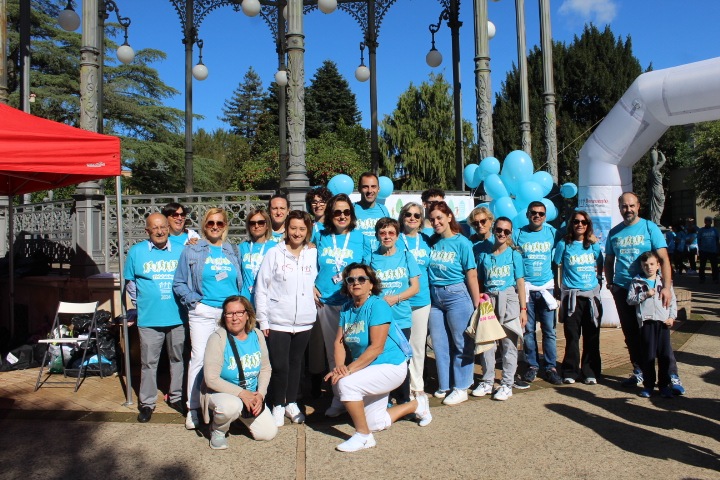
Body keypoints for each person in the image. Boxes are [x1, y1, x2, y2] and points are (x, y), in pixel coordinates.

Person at [325, 263, 432, 452]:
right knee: (374, 422)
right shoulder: (347, 308)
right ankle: (417, 405)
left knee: (346, 384)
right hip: (368, 368)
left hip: (390, 366)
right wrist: (340, 366)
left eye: (361, 279)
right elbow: (339, 342)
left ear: (371, 284)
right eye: (351, 279)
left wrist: (347, 371)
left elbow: (376, 347)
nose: (356, 283)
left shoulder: (378, 305)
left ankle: (364, 437)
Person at [604, 192, 684, 393]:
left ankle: (671, 376)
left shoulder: (650, 228)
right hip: (624, 289)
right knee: (631, 333)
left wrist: (666, 287)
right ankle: (639, 371)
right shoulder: (614, 232)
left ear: (638, 206)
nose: (627, 210)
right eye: (624, 206)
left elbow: (664, 259)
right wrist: (611, 284)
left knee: (658, 335)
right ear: (619, 207)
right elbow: (608, 260)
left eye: (631, 206)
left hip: (650, 291)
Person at [173, 207, 243, 429]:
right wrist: (195, 302)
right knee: (199, 358)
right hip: (203, 313)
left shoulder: (233, 250)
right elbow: (179, 282)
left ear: (225, 226)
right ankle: (193, 407)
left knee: (228, 361)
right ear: (204, 226)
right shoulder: (192, 251)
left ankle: (226, 405)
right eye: (211, 223)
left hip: (229, 314)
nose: (215, 227)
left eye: (219, 223)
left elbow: (240, 281)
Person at [254, 211, 318, 427]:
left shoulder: (312, 253)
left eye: (302, 229)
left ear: (308, 230)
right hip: (278, 320)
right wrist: (263, 320)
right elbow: (261, 288)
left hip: (304, 321)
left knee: (296, 364)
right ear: (286, 229)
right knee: (279, 366)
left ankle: (291, 402)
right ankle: (277, 405)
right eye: (293, 228)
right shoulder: (274, 253)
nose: (297, 233)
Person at [124, 213, 186, 423]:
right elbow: (130, 283)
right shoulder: (137, 252)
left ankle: (176, 396)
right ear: (147, 231)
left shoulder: (180, 249)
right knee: (148, 363)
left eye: (163, 227)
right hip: (149, 319)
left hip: (177, 316)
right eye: (155, 228)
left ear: (168, 228)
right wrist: (141, 303)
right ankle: (147, 403)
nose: (160, 231)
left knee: (177, 359)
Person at [314, 193, 370, 416]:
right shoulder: (321, 236)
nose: (342, 216)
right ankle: (338, 398)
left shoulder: (360, 237)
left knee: (356, 349)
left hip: (352, 303)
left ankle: (358, 396)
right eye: (337, 212)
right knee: (333, 351)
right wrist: (310, 285)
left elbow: (367, 270)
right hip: (326, 303)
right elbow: (307, 263)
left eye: (346, 212)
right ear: (330, 214)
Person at [201, 296, 277, 449]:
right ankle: (218, 430)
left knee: (268, 433)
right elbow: (211, 379)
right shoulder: (217, 339)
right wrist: (242, 393)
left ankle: (238, 420)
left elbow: (265, 368)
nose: (234, 318)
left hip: (250, 395)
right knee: (231, 406)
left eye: (239, 313)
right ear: (224, 316)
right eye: (229, 314)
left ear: (248, 314)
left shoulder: (257, 335)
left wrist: (260, 394)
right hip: (221, 394)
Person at [426, 201, 480, 405]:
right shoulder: (432, 242)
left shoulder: (462, 243)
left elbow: (471, 275)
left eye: (439, 217)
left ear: (449, 217)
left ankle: (462, 386)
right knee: (439, 344)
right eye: (432, 219)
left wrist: (477, 307)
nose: (436, 222)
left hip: (457, 295)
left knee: (461, 343)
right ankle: (445, 384)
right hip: (435, 297)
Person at [365, 217, 420, 406]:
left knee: (401, 358)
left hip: (401, 317)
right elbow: (366, 287)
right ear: (377, 235)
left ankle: (405, 397)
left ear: (397, 235)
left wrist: (396, 298)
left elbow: (415, 288)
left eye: (390, 233)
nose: (386, 236)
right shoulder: (371, 258)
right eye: (382, 233)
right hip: (379, 319)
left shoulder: (406, 256)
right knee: (380, 358)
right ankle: (383, 398)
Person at [475, 217, 527, 401]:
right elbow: (480, 281)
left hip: (509, 300)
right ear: (494, 229)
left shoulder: (514, 255)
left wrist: (523, 309)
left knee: (509, 344)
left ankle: (506, 383)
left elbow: (520, 282)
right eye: (499, 230)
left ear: (510, 233)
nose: (502, 234)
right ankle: (487, 380)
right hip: (489, 301)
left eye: (506, 231)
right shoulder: (484, 255)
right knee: (487, 343)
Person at [513, 201, 561, 386]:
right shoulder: (518, 233)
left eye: (541, 213)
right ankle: (532, 366)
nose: (537, 216)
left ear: (545, 215)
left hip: (546, 288)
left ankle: (551, 367)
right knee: (528, 331)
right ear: (527, 214)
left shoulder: (552, 233)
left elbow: (570, 240)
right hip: (526, 289)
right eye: (533, 213)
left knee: (549, 331)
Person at [553, 211, 604, 385]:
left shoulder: (593, 245)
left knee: (592, 336)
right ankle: (570, 371)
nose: (580, 225)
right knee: (572, 337)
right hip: (572, 298)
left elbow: (601, 263)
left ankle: (590, 371)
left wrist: (598, 283)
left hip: (591, 297)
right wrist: (557, 288)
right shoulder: (564, 244)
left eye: (583, 222)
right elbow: (556, 265)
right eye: (576, 221)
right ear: (571, 224)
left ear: (588, 225)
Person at [626, 251, 678, 399]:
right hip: (646, 322)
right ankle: (648, 385)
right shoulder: (636, 281)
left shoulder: (664, 282)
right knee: (648, 356)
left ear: (658, 265)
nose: (649, 267)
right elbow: (630, 300)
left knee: (664, 356)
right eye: (645, 265)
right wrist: (645, 294)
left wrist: (672, 317)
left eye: (652, 264)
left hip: (663, 323)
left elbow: (672, 301)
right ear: (641, 266)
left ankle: (664, 386)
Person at [397, 202, 432, 400]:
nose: (412, 218)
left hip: (421, 300)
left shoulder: (427, 240)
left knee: (418, 345)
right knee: (401, 345)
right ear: (402, 217)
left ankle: (417, 385)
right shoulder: (395, 239)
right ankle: (400, 387)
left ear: (421, 220)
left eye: (417, 216)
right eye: (408, 214)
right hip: (400, 300)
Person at [238, 208, 272, 305]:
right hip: (245, 302)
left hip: (267, 302)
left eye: (261, 222)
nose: (256, 226)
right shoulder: (242, 247)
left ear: (267, 225)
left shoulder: (275, 247)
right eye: (252, 223)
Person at [354, 172, 390, 251]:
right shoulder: (351, 210)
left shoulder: (384, 210)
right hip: (358, 260)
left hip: (378, 259)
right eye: (365, 187)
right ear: (359, 189)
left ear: (378, 189)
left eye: (373, 186)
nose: (370, 190)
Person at [697, 216, 719, 284]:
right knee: (702, 265)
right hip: (703, 250)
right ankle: (702, 278)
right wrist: (700, 249)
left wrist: (717, 248)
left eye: (709, 221)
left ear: (711, 222)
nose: (708, 222)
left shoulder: (714, 230)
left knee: (714, 265)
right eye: (707, 221)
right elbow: (699, 240)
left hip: (713, 250)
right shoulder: (701, 230)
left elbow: (717, 239)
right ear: (705, 222)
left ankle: (715, 278)